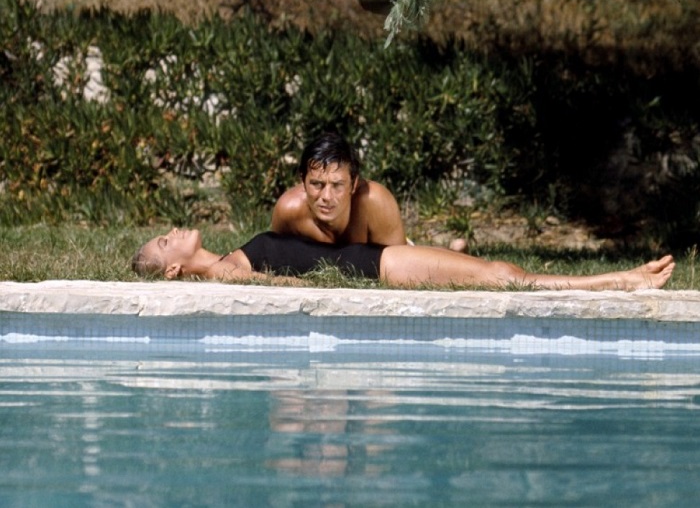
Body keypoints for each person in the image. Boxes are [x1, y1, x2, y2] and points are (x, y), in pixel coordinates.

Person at [131, 228, 675, 291]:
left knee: (497, 274)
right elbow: (292, 287)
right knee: (504, 277)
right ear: (173, 269)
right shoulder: (227, 275)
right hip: (377, 267)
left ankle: (618, 279)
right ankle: (619, 280)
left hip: (377, 257)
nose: (171, 232)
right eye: (163, 242)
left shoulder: (230, 262)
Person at [271, 132, 468, 251]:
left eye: (337, 185)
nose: (327, 197)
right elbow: (276, 260)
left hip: (387, 250)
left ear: (354, 184)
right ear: (303, 181)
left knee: (424, 266)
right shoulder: (288, 211)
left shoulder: (374, 202)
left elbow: (403, 266)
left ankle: (453, 254)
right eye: (317, 184)